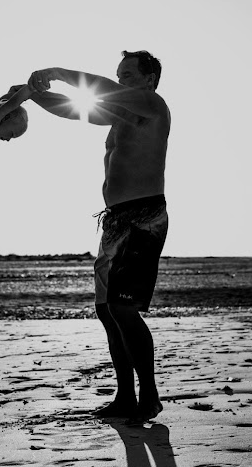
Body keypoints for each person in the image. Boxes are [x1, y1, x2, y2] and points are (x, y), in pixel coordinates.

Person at [23, 50, 170, 423]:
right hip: (115, 221)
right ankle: (125, 397)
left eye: (129, 76)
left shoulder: (153, 105)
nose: (121, 82)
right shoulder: (119, 116)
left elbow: (99, 90)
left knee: (124, 308)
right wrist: (30, 95)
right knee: (107, 312)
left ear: (150, 78)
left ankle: (149, 396)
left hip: (144, 220)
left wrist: (57, 71)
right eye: (119, 76)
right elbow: (75, 110)